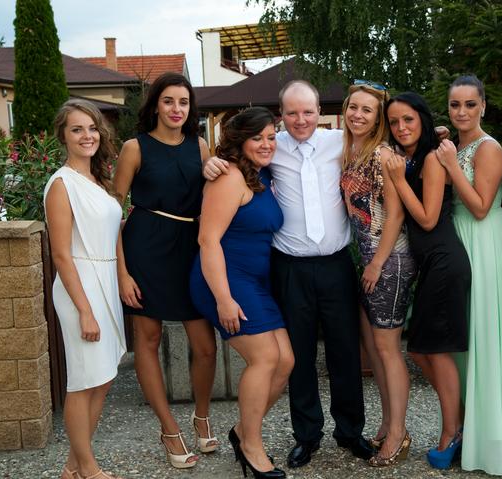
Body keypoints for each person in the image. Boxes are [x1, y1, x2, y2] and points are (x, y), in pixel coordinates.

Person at [204, 80, 374, 468]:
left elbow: (383, 140)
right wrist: (209, 162)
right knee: (297, 355)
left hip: (335, 264)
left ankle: (350, 431)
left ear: (320, 112)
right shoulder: (270, 146)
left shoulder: (340, 143)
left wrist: (438, 133)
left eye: (308, 112)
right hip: (290, 267)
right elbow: (233, 158)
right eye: (293, 113)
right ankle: (307, 435)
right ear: (282, 115)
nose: (301, 120)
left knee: (345, 351)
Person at [114, 73, 218, 469]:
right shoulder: (134, 148)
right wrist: (122, 273)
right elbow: (112, 213)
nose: (177, 109)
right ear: (156, 105)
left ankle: (201, 416)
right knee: (148, 338)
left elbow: (215, 196)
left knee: (205, 345)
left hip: (190, 247)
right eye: (169, 101)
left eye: (184, 102)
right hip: (145, 246)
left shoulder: (200, 146)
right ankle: (169, 429)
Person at [189, 107, 293, 479]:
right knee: (265, 358)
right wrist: (223, 298)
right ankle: (252, 446)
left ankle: (241, 431)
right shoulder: (230, 176)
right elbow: (208, 240)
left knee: (285, 363)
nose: (266, 144)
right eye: (257, 138)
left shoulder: (260, 172)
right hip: (225, 280)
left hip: (255, 282)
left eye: (271, 137)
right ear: (240, 140)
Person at [436, 75, 502, 475]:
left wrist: (451, 165)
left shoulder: (489, 148)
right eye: (455, 105)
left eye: (470, 104)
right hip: (460, 243)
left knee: (484, 337)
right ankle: (465, 431)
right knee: (463, 340)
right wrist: (447, 151)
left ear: (484, 106)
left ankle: (491, 441)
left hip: (485, 241)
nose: (462, 112)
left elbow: (480, 206)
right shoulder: (454, 145)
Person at [384, 92, 472, 470]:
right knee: (421, 350)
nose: (401, 127)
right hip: (432, 265)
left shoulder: (433, 159)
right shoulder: (414, 157)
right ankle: (462, 420)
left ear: (421, 118)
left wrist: (397, 178)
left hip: (445, 262)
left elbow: (427, 218)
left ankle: (451, 433)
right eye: (394, 122)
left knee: (434, 351)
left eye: (408, 119)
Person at [44, 99, 126, 479]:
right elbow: (61, 254)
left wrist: (122, 276)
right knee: (83, 381)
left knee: (103, 377)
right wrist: (85, 310)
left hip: (104, 281)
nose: (87, 136)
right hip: (80, 289)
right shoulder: (62, 185)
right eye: (77, 129)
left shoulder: (96, 180)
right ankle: (89, 470)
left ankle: (72, 467)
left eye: (92, 128)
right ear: (63, 135)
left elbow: (112, 234)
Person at [339, 82, 417, 467]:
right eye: (353, 107)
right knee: (374, 347)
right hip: (368, 259)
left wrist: (376, 262)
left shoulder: (383, 154)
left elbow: (396, 214)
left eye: (367, 110)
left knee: (388, 349)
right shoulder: (351, 152)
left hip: (389, 261)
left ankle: (399, 433)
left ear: (378, 118)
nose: (358, 115)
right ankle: (387, 423)